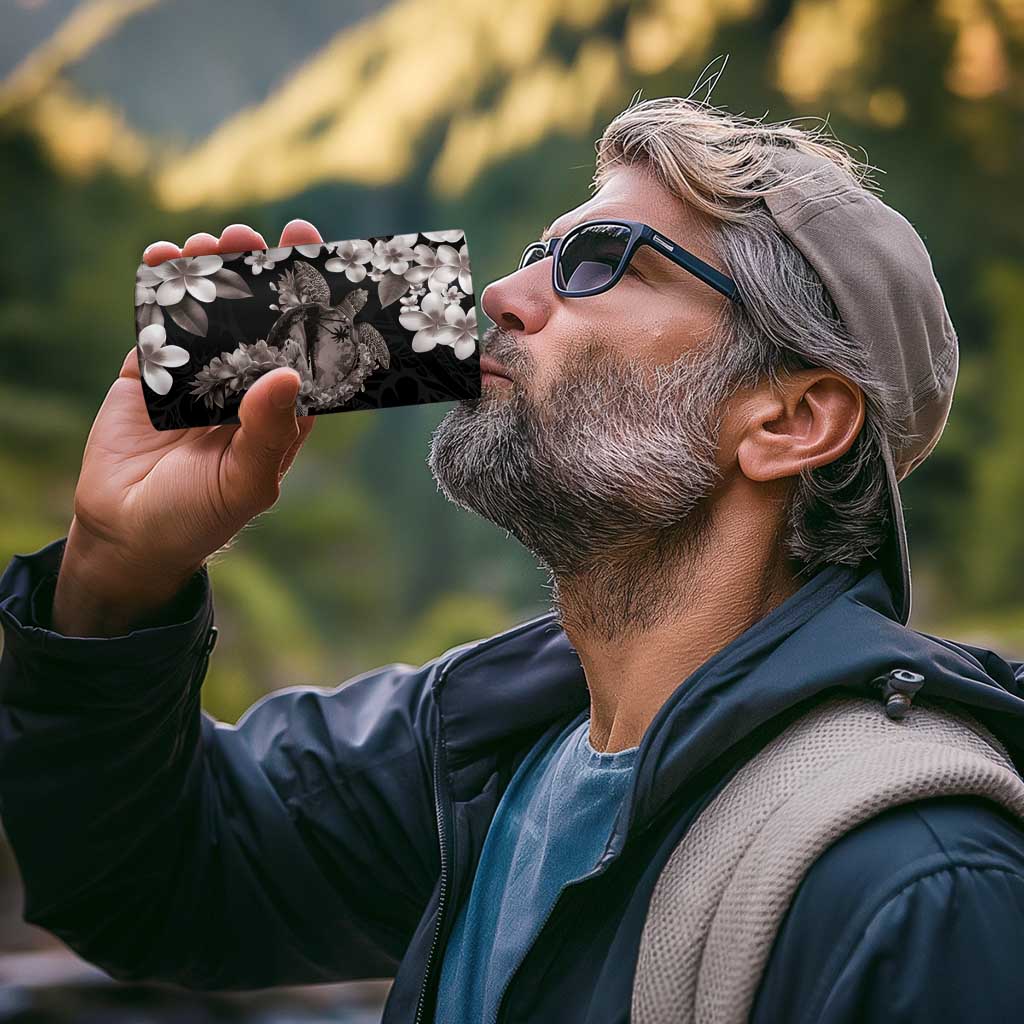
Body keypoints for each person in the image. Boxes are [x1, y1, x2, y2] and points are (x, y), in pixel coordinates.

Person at [2, 94, 1024, 1024]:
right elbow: (150, 879)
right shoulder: (484, 745)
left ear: (790, 421)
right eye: (541, 251)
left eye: (601, 261)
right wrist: (116, 573)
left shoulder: (919, 887)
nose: (499, 292)